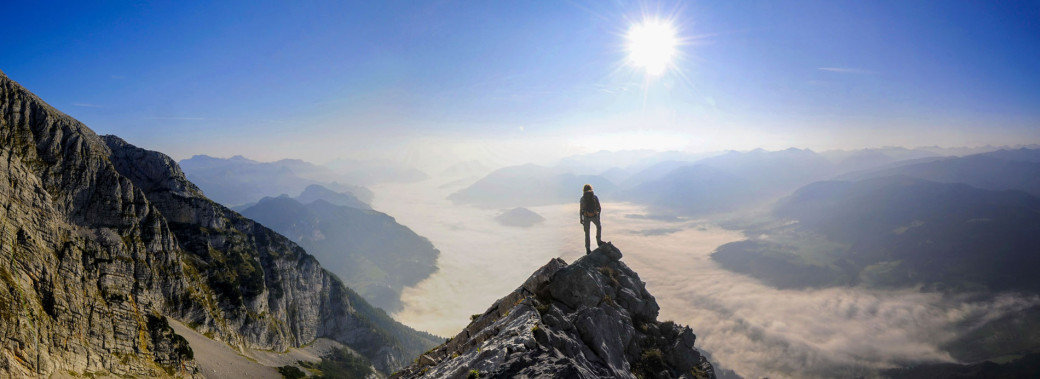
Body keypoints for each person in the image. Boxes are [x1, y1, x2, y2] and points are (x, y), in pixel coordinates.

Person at [579, 184, 603, 254]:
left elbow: (581, 209)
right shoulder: (594, 197)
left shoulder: (582, 198)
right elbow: (599, 207)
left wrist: (581, 218)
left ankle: (588, 249)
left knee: (587, 233)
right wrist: (598, 216)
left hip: (586, 216)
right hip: (594, 216)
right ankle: (599, 241)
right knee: (599, 227)